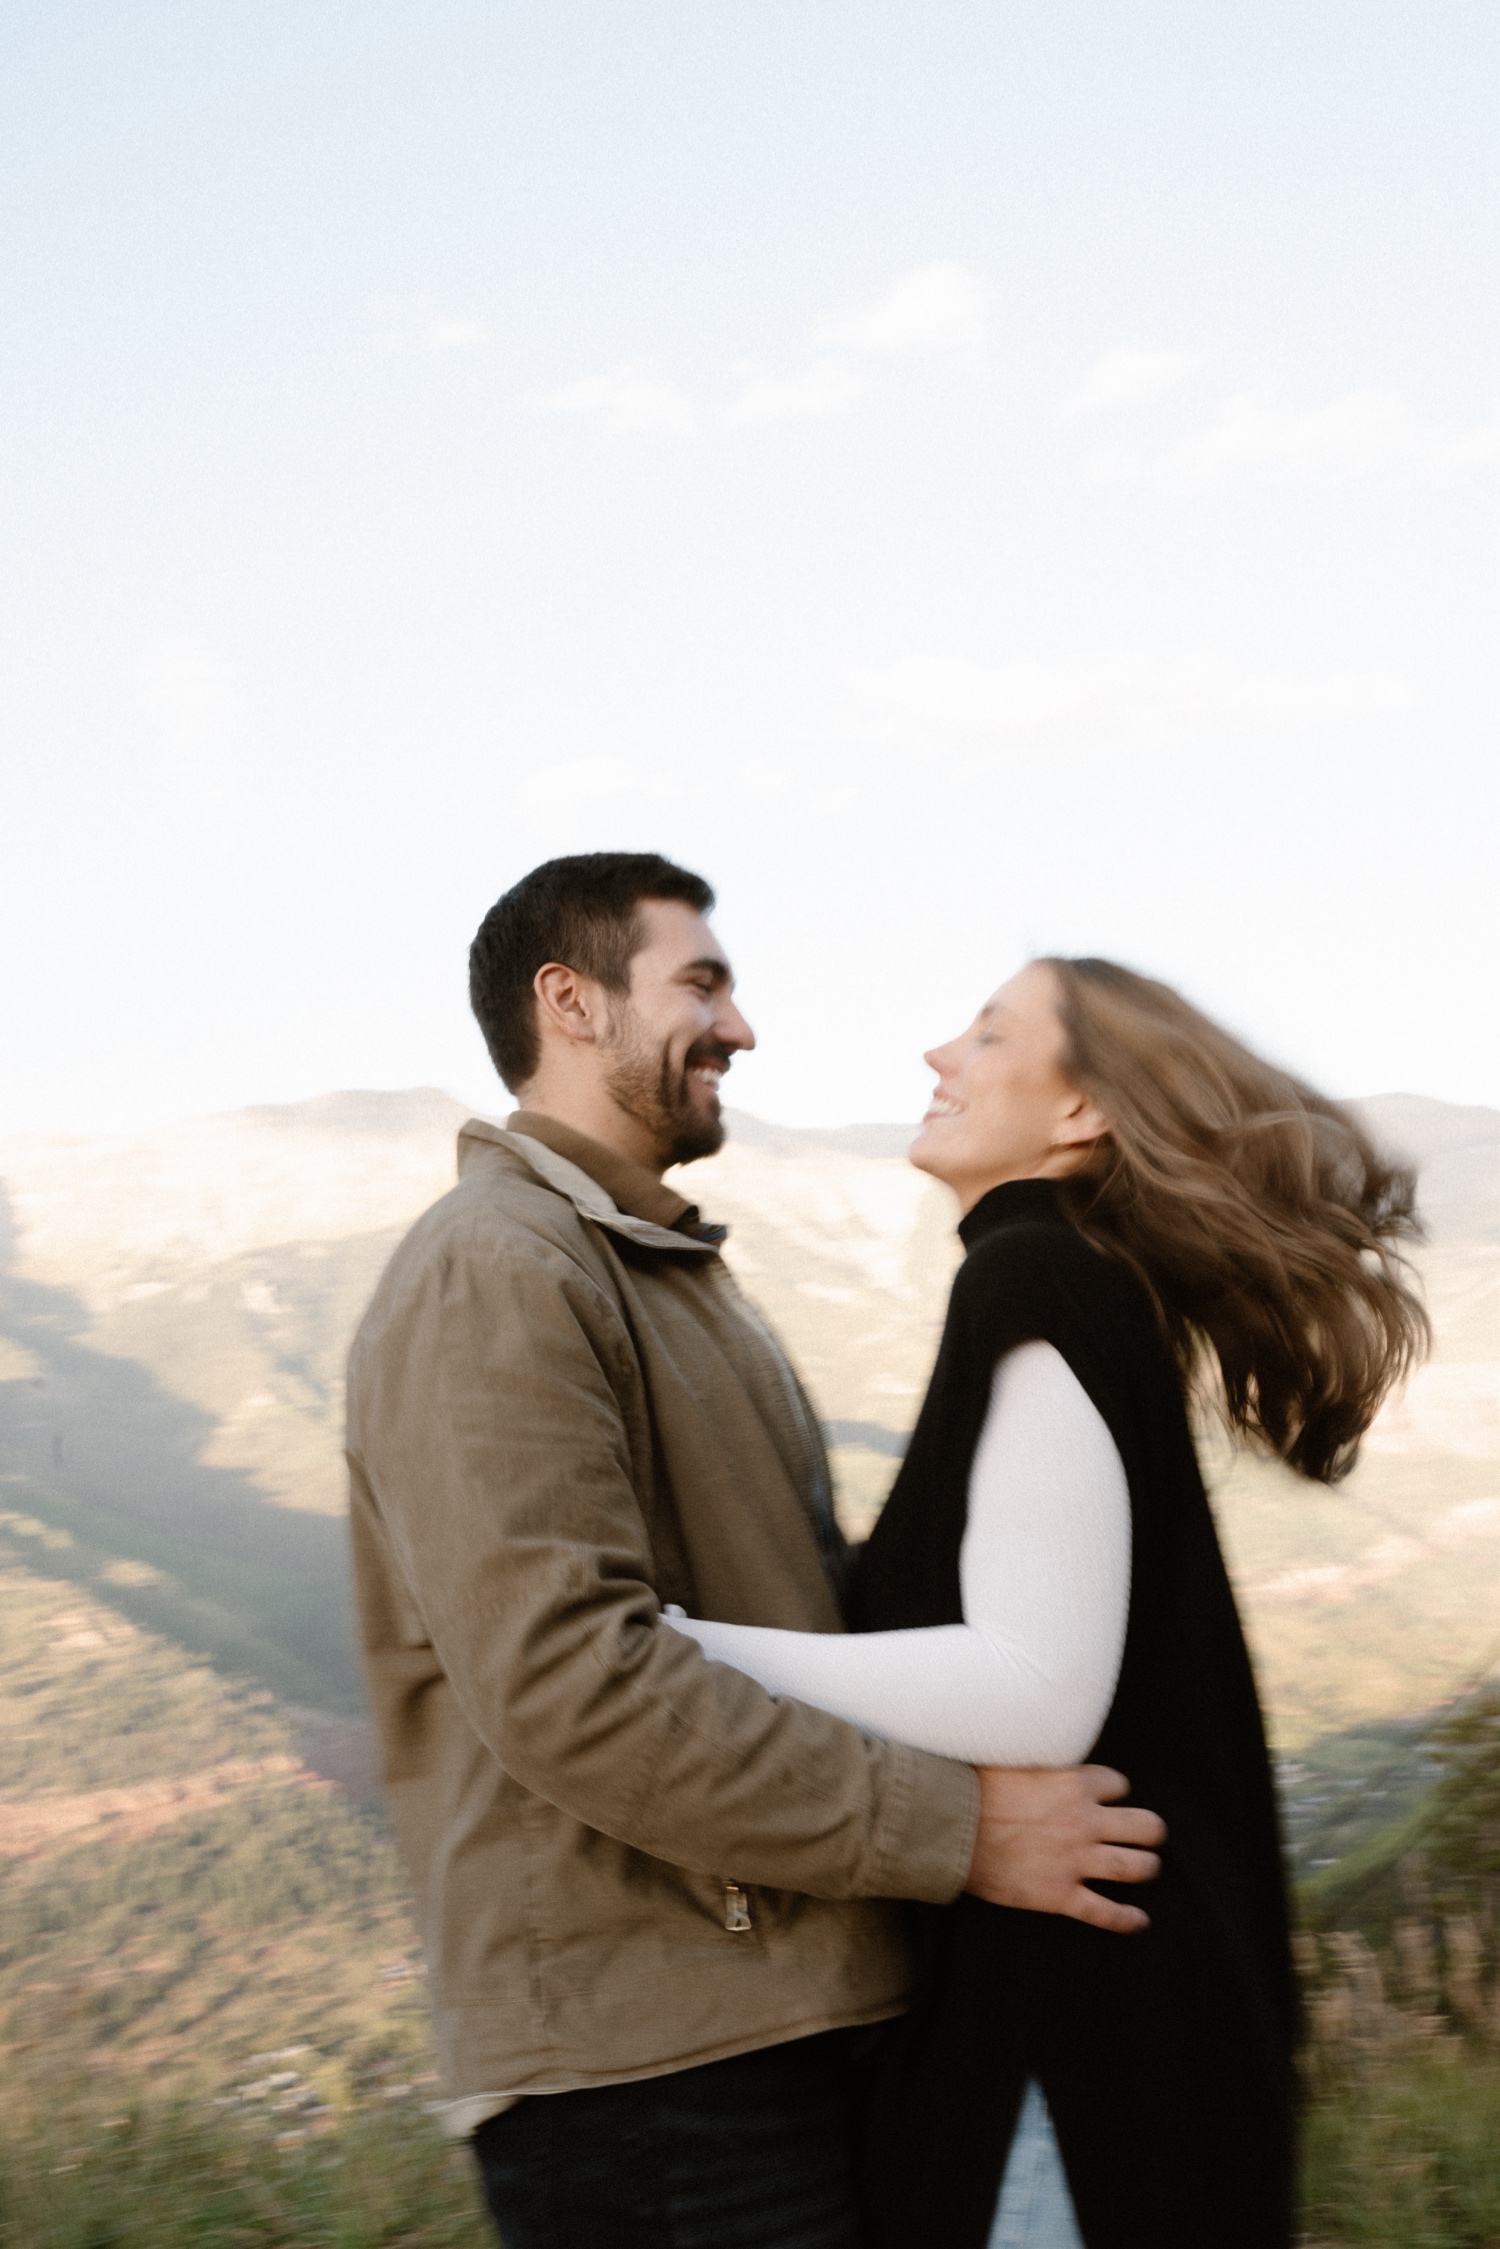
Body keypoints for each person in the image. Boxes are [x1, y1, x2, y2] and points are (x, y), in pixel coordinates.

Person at [345, 857, 1166, 2249]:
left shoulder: (664, 1276)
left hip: (772, 2021)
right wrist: (959, 1832)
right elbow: (573, 1684)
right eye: (701, 984)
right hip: (647, 2074)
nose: (741, 1027)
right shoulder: (498, 1268)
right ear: (572, 1003)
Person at [669, 956, 1427, 2248]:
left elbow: (1035, 1687)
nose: (936, 1056)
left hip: (1073, 2064)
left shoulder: (1036, 1277)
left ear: (1081, 1112)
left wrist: (681, 1653)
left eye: (985, 1032)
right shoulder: (1075, 1278)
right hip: (1098, 2046)